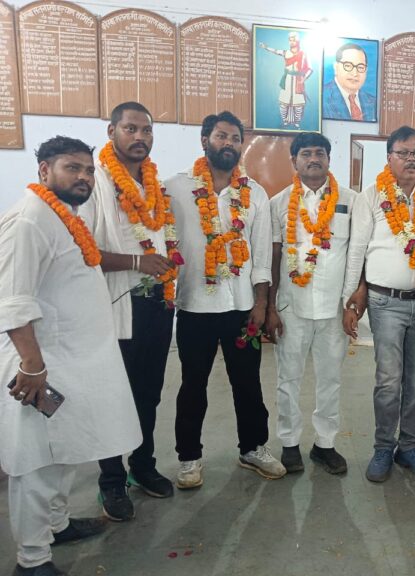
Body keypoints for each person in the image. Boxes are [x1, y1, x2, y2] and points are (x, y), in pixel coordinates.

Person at [0, 137, 142, 576]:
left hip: (74, 363)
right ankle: (32, 560)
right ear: (45, 170)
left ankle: (57, 525)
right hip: (42, 367)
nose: (83, 177)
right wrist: (33, 366)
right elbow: (12, 302)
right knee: (37, 464)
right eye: (71, 168)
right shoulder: (28, 221)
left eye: (88, 170)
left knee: (66, 451)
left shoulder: (64, 216)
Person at [165, 111, 285, 489]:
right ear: (205, 140)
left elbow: (261, 256)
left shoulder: (254, 193)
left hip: (241, 306)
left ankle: (253, 448)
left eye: (235, 138)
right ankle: (189, 457)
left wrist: (261, 304)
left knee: (248, 383)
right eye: (221, 136)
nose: (229, 144)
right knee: (192, 385)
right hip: (194, 305)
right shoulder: (175, 188)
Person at [80, 102, 178, 522]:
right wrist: (138, 262)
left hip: (157, 303)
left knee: (148, 391)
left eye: (146, 130)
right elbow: (83, 249)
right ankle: (111, 480)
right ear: (112, 132)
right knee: (112, 395)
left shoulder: (153, 183)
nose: (140, 137)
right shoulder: (96, 181)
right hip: (115, 305)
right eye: (130, 129)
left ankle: (142, 464)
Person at [342, 125, 415, 483]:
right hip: (385, 302)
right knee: (388, 380)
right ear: (389, 157)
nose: (411, 159)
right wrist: (350, 299)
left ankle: (410, 446)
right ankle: (384, 446)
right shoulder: (371, 196)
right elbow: (357, 250)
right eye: (404, 153)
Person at [267, 132, 356, 475]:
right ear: (294, 161)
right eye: (306, 153)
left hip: (334, 309)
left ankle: (325, 445)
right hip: (292, 306)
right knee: (287, 378)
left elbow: (357, 256)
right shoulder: (279, 203)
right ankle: (289, 444)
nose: (314, 158)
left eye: (320, 152)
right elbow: (273, 256)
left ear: (329, 159)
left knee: (330, 379)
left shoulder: (350, 200)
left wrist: (352, 303)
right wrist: (271, 306)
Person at [259, 32, 313, 129]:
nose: (291, 42)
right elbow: (276, 51)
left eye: (294, 40)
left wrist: (303, 79)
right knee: (283, 103)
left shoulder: (304, 54)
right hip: (287, 80)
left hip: (298, 81)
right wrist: (266, 47)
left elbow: (310, 69)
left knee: (299, 105)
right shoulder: (286, 53)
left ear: (298, 41)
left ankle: (297, 122)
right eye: (290, 40)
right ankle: (285, 121)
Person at [322, 42, 376, 122]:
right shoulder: (322, 98)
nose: (355, 73)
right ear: (336, 67)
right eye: (348, 66)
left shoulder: (373, 102)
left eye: (360, 67)